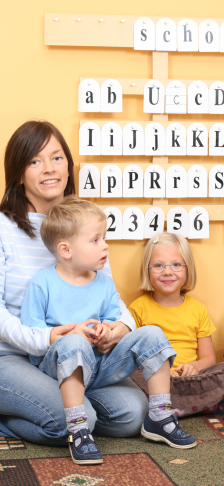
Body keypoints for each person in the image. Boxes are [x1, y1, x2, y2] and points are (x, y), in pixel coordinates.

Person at [0, 121, 193, 451]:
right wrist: (46, 338)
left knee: (133, 414)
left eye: (57, 158)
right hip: (14, 356)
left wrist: (119, 327)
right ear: (19, 174)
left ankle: (70, 401)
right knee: (78, 421)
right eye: (34, 161)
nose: (49, 169)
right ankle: (25, 416)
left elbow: (111, 296)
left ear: (69, 165)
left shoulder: (87, 225)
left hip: (82, 353)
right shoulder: (4, 229)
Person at [21, 197, 196, 464]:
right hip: (54, 369)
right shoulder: (41, 284)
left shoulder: (103, 283)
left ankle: (159, 416)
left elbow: (115, 319)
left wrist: (108, 330)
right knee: (74, 344)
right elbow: (34, 338)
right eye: (95, 240)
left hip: (99, 364)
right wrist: (71, 335)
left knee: (152, 333)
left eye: (104, 237)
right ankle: (78, 429)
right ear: (66, 250)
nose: (105, 246)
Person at [129, 232, 224, 417]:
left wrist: (195, 367)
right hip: (155, 382)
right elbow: (132, 361)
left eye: (176, 265)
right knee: (132, 377)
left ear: (187, 269)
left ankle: (174, 408)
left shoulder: (197, 309)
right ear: (147, 270)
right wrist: (162, 373)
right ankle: (199, 406)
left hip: (191, 380)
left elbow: (209, 359)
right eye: (158, 265)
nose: (167, 271)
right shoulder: (137, 309)